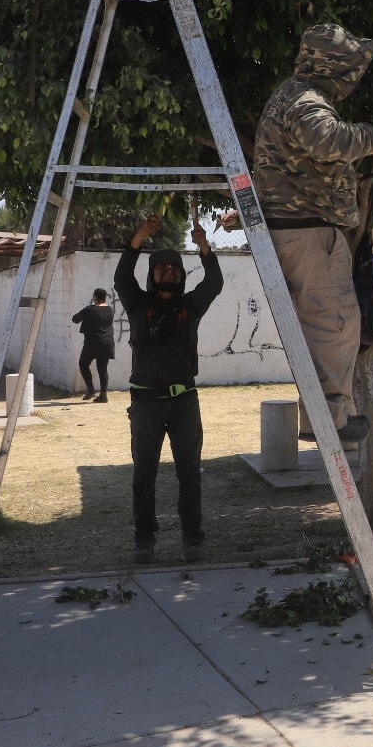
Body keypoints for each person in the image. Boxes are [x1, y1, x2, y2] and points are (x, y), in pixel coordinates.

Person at [248, 22, 373, 444]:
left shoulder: (290, 95)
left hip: (296, 231)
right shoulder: (306, 101)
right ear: (334, 66)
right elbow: (326, 139)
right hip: (309, 233)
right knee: (336, 322)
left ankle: (331, 410)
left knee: (324, 323)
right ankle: (328, 416)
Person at [115, 213, 223, 564]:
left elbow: (214, 283)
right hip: (145, 402)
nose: (169, 271)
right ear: (152, 274)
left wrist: (204, 247)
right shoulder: (137, 304)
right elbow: (121, 276)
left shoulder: (189, 307)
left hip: (184, 402)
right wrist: (139, 237)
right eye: (161, 267)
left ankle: (193, 538)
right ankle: (143, 539)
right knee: (143, 475)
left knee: (189, 474)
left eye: (174, 267)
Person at [71, 288, 116, 403]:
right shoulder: (110, 310)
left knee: (83, 364)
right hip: (107, 343)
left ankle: (91, 389)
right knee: (102, 368)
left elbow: (75, 319)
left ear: (95, 297)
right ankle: (103, 395)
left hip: (92, 343)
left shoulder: (89, 310)